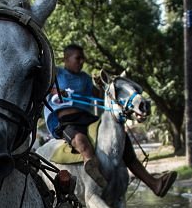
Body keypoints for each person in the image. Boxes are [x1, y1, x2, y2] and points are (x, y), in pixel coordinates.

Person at [46, 44, 176, 197]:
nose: (82, 61)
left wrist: (101, 86)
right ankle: (96, 178)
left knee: (120, 136)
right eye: (78, 58)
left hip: (86, 118)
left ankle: (155, 184)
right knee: (81, 141)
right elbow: (45, 86)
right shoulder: (57, 73)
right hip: (64, 120)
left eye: (83, 58)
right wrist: (55, 90)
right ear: (66, 59)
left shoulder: (85, 78)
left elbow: (98, 97)